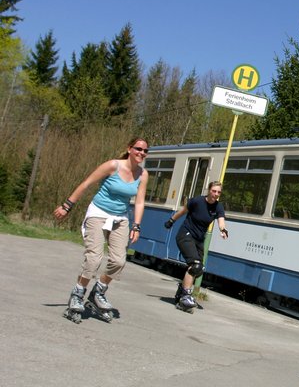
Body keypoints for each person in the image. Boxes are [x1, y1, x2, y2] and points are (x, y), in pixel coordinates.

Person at [56, 137, 149, 322]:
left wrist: (137, 226)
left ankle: (98, 291)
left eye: (145, 151)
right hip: (98, 213)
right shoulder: (112, 166)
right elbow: (86, 184)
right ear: (129, 149)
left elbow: (139, 201)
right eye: (138, 149)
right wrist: (67, 205)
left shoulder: (142, 174)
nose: (142, 153)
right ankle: (78, 293)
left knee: (119, 261)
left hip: (120, 218)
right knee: (94, 257)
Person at [163, 181, 228, 312]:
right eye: (214, 191)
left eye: (218, 192)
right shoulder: (197, 201)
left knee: (199, 269)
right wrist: (172, 220)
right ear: (209, 190)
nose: (216, 194)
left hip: (198, 240)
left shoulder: (218, 207)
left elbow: (221, 220)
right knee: (195, 265)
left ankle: (181, 292)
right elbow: (183, 211)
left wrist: (223, 229)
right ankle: (186, 296)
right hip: (185, 234)